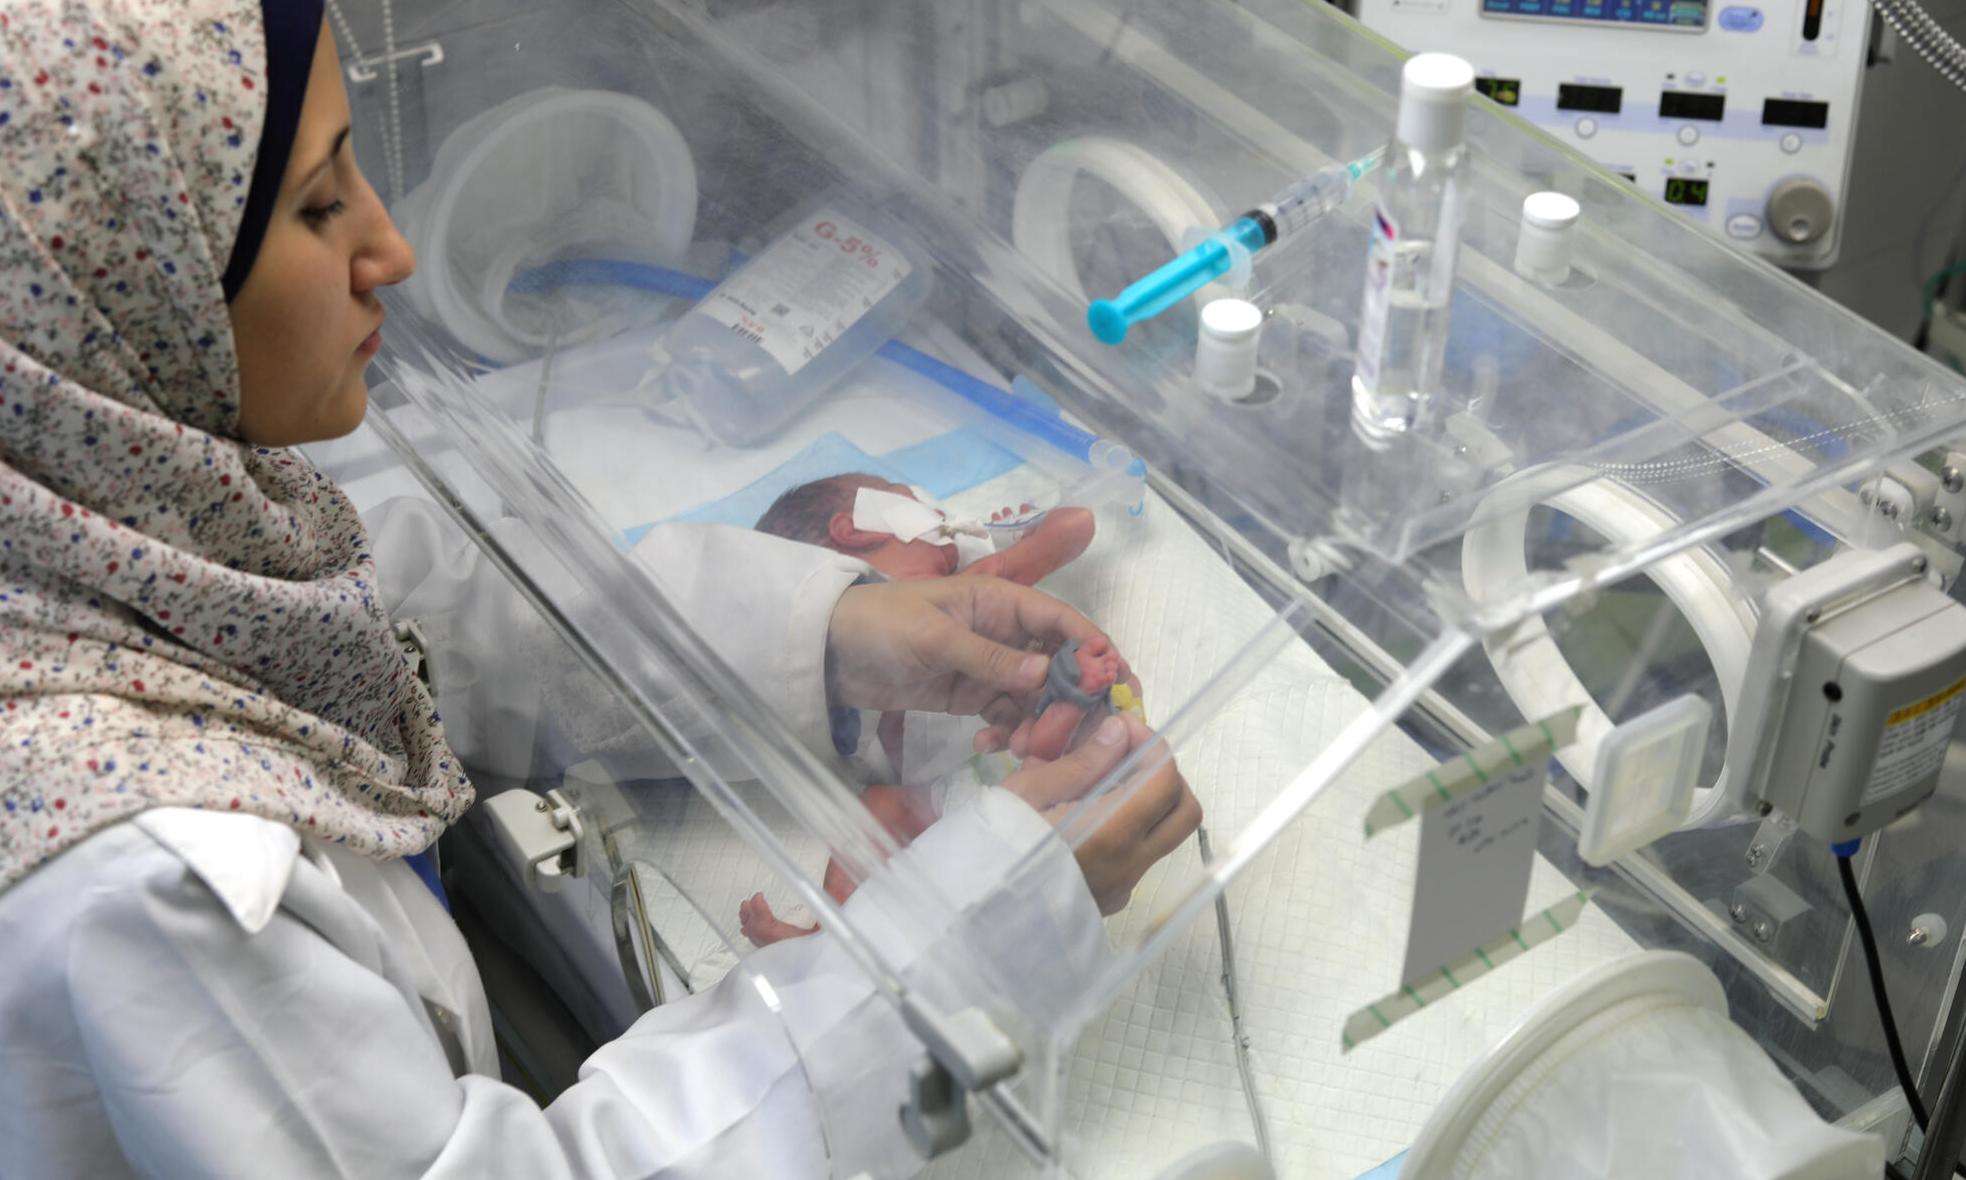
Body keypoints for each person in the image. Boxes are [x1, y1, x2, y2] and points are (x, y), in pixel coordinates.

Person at [0, 3, 1202, 1176]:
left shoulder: (108, 520)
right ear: (128, 286)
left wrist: (822, 632)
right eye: (320, 205)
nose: (393, 249)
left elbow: (417, 616)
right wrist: (972, 933)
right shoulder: (147, 895)